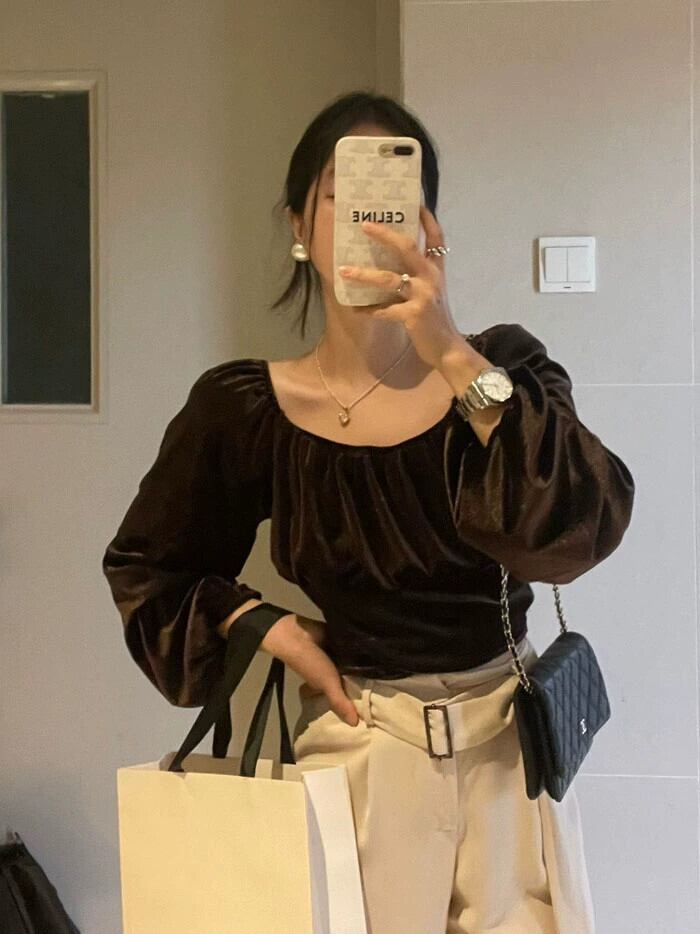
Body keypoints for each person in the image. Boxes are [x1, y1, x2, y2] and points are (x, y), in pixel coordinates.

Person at [102, 90, 635, 933]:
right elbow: (148, 568)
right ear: (299, 226)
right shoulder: (247, 410)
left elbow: (578, 526)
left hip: (511, 752)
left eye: (395, 197)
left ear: (430, 229)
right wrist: (261, 625)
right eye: (341, 196)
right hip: (361, 752)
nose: (370, 219)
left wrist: (451, 351)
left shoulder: (502, 368)